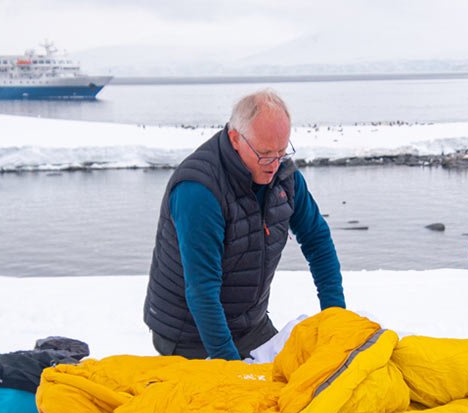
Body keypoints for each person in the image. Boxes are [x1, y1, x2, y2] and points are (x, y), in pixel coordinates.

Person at [144, 89, 345, 361]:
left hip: (250, 323)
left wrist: (336, 319)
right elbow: (202, 289)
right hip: (189, 333)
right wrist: (231, 367)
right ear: (235, 139)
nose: (274, 164)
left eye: (282, 152)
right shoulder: (199, 191)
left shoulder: (284, 175)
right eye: (265, 154)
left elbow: (317, 241)